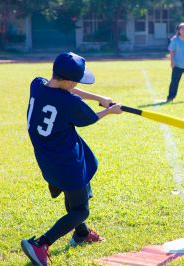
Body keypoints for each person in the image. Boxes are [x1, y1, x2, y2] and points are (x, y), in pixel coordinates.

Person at [21, 52, 122, 266]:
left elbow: (67, 89)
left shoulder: (37, 84)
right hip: (67, 162)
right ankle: (41, 243)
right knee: (80, 209)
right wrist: (111, 110)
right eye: (75, 81)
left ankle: (81, 234)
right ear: (68, 80)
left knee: (76, 193)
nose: (76, 84)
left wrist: (99, 98)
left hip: (49, 157)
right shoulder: (68, 102)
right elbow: (91, 117)